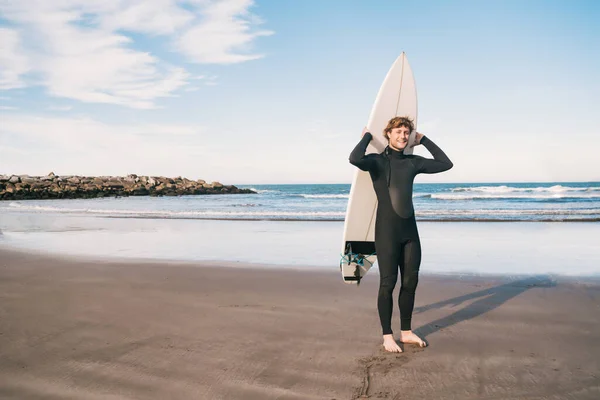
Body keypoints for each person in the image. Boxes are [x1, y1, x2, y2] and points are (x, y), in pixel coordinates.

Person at [349, 116, 453, 353]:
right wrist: (367, 136)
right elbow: (354, 158)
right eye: (398, 131)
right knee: (388, 283)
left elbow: (446, 164)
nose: (403, 136)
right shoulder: (376, 162)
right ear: (388, 134)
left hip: (410, 233)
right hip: (386, 232)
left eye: (407, 132)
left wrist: (423, 139)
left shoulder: (413, 162)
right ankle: (387, 335)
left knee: (410, 282)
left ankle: (405, 332)